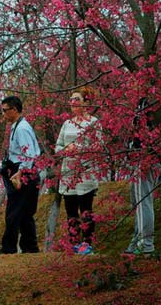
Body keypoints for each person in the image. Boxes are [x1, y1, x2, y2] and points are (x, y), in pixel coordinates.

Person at [54, 87, 101, 255]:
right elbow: (58, 147)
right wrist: (67, 149)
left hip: (85, 172)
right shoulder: (67, 124)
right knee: (71, 211)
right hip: (68, 172)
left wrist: (80, 148)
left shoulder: (93, 122)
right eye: (71, 100)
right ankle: (73, 242)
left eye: (77, 100)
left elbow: (99, 146)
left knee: (86, 209)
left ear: (85, 103)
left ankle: (87, 243)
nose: (73, 103)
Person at [0, 95, 41, 254]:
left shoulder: (22, 128)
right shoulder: (16, 126)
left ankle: (9, 248)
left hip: (25, 173)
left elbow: (30, 154)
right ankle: (30, 247)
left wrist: (20, 173)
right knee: (26, 213)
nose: (4, 114)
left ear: (14, 110)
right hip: (21, 170)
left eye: (5, 110)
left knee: (14, 212)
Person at [125, 97, 159, 255]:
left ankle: (145, 244)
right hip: (139, 157)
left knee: (142, 200)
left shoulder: (153, 100)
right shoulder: (141, 101)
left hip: (146, 157)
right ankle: (138, 239)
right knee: (137, 200)